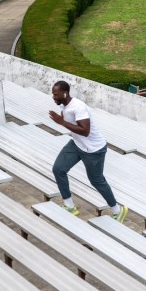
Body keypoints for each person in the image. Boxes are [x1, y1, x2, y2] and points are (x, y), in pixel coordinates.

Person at [49, 80, 128, 223]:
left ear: (65, 93)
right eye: (53, 94)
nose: (53, 97)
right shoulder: (64, 106)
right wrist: (63, 121)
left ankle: (118, 210)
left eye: (56, 94)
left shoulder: (78, 107)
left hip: (93, 150)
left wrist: (62, 123)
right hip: (77, 144)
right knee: (58, 169)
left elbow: (85, 131)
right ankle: (70, 206)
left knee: (96, 181)